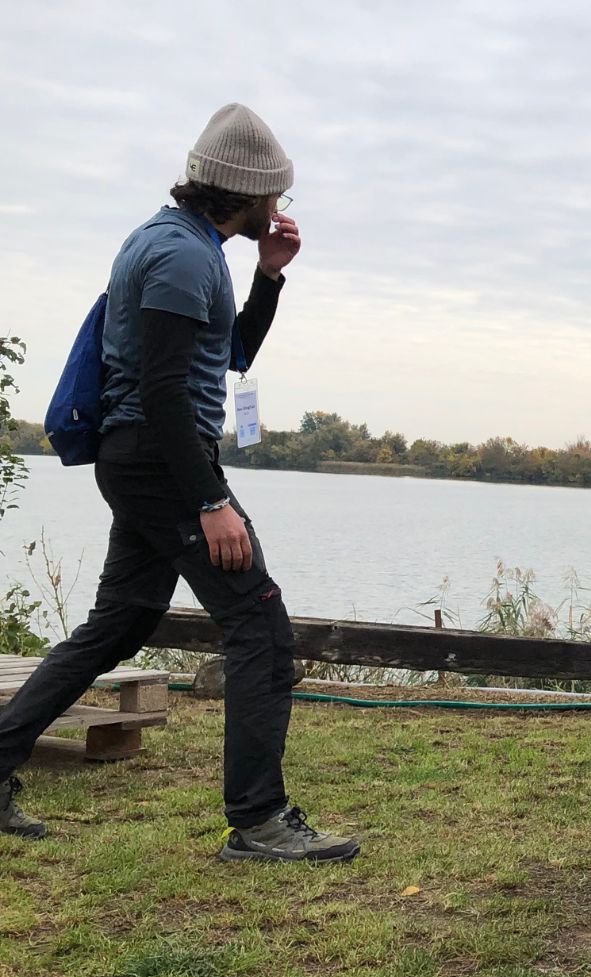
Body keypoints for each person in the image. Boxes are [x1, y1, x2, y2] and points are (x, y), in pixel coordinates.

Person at [0, 104, 358, 862]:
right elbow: (163, 393)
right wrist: (211, 500)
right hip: (164, 462)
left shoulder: (183, 245)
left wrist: (268, 280)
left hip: (148, 459)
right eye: (278, 196)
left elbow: (225, 357)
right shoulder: (181, 257)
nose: (280, 209)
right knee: (260, 626)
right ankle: (259, 822)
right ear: (249, 191)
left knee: (120, 622)